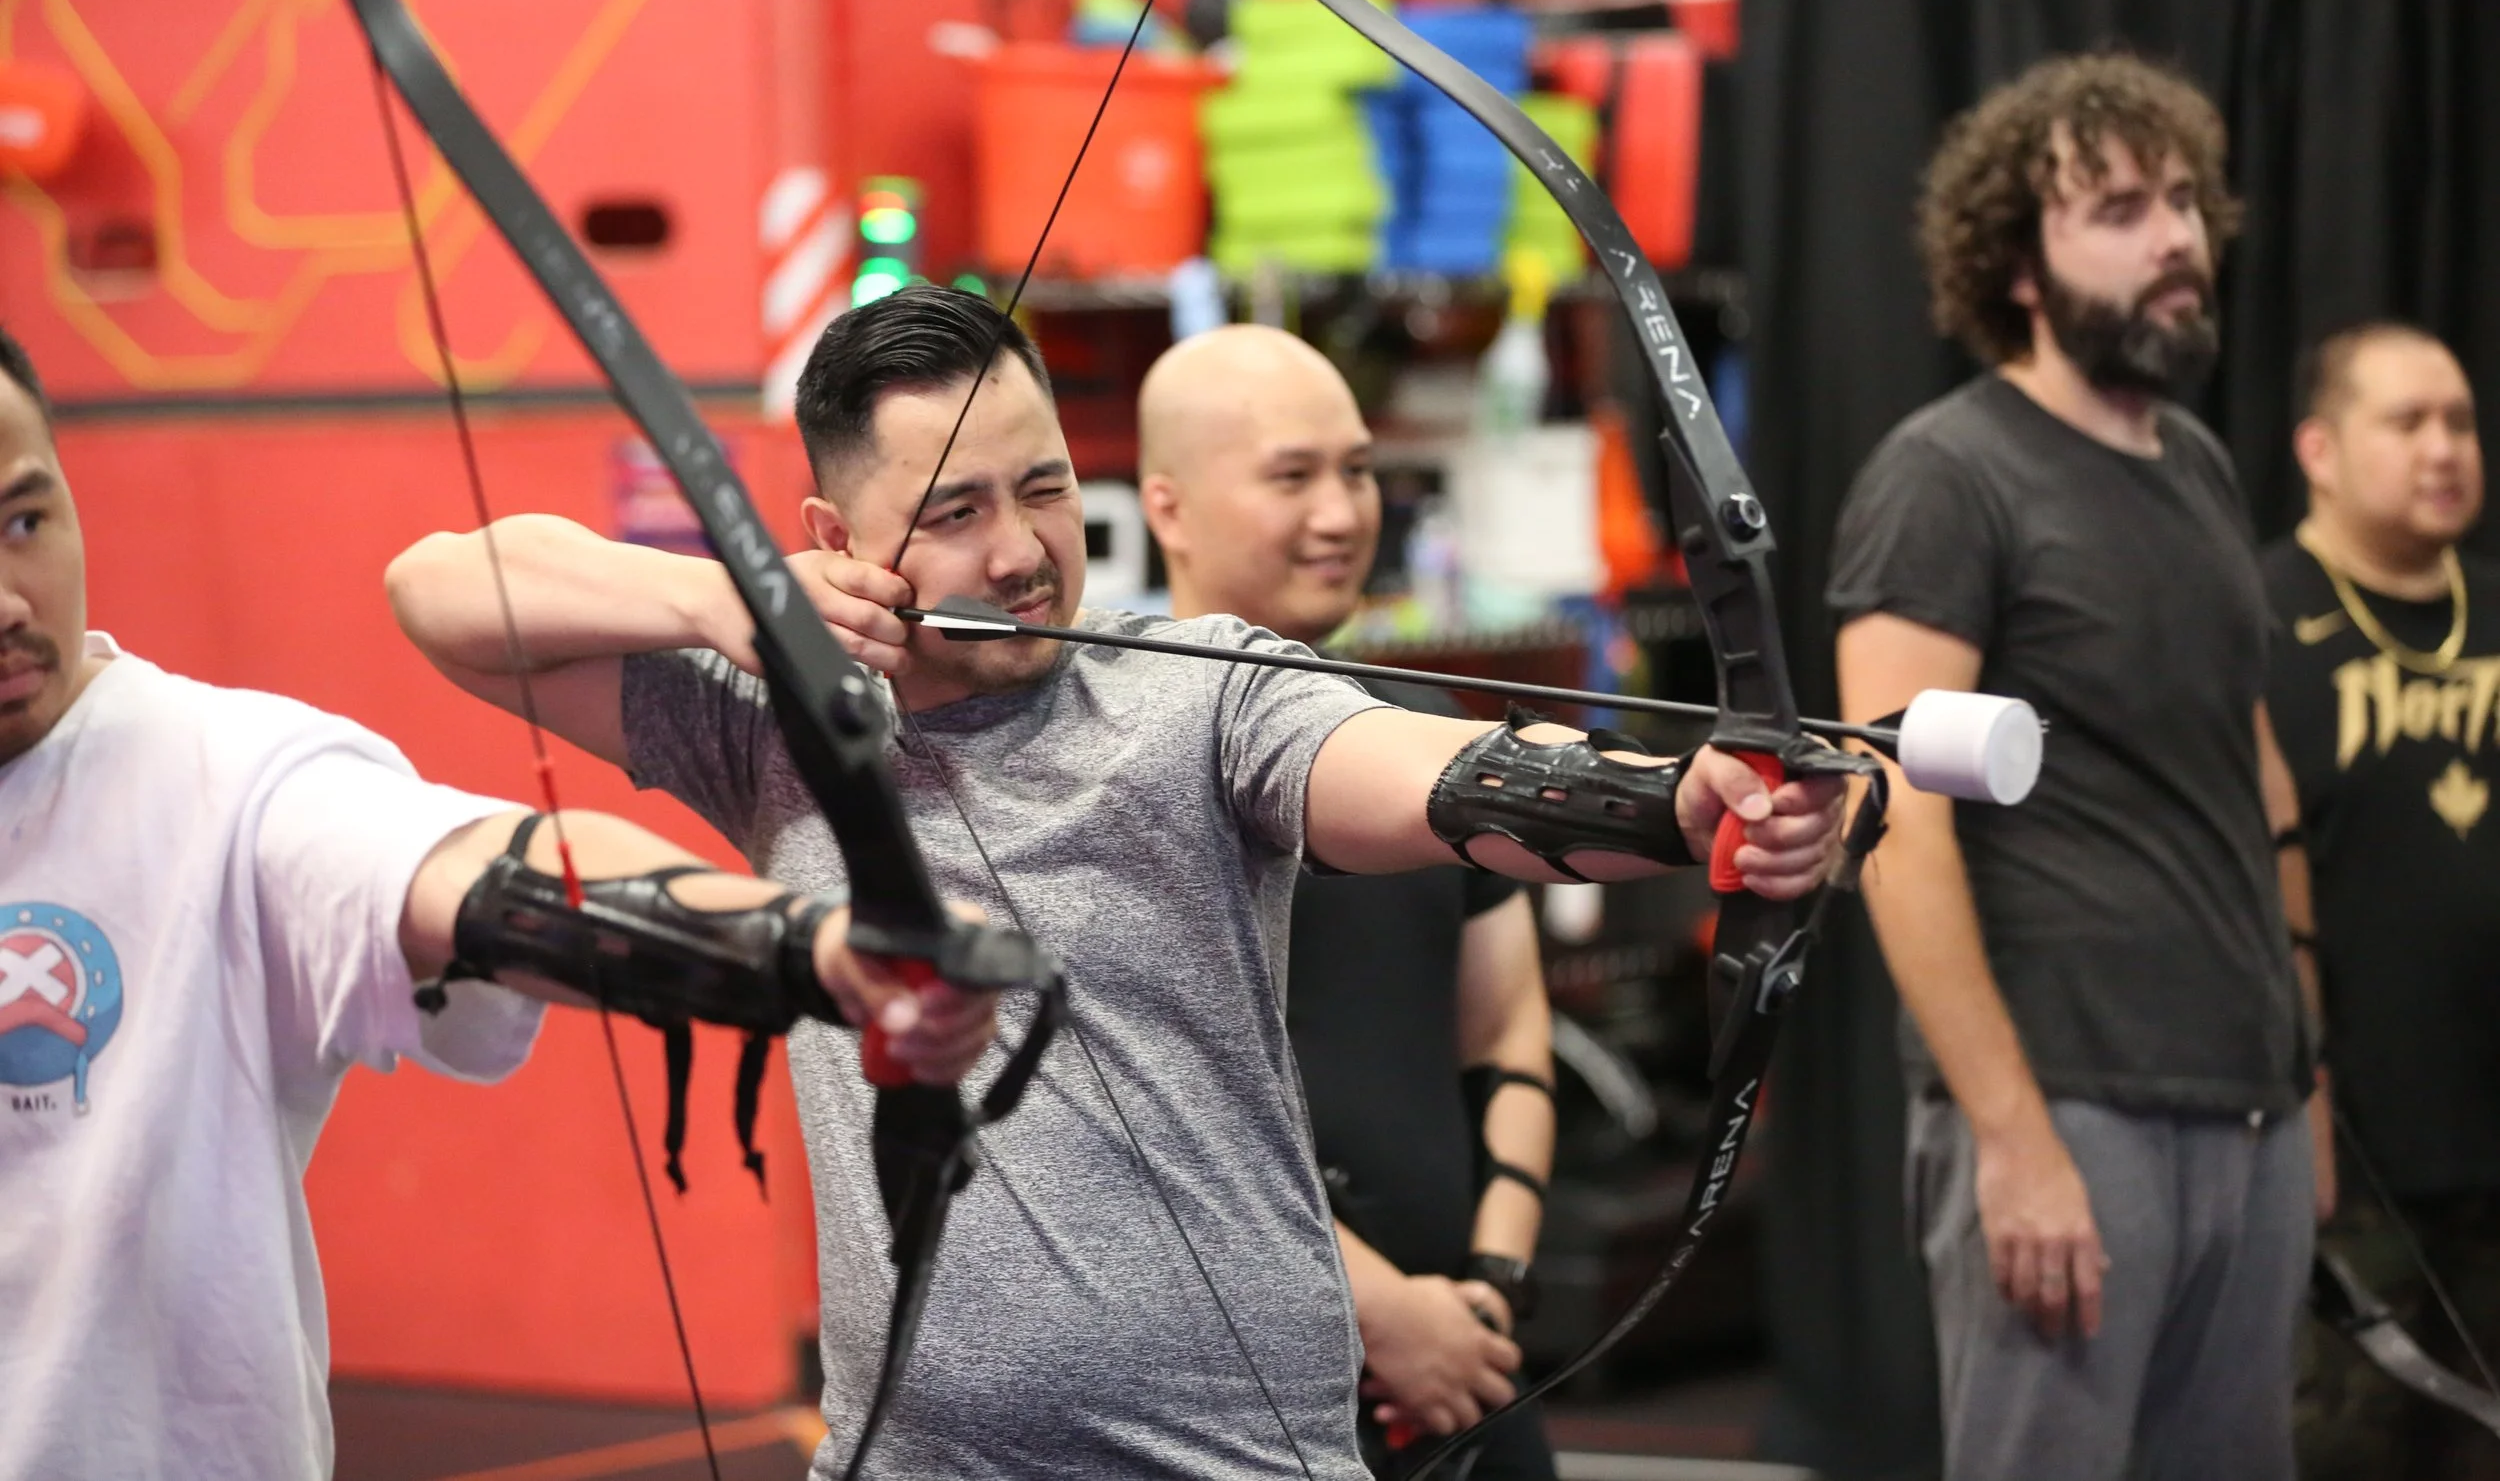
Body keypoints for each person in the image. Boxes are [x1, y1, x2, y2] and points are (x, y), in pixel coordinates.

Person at [386, 284, 1849, 1480]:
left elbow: (1432, 778)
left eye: (1042, 487)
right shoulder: (770, 730)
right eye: (954, 510)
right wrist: (728, 600)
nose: (1022, 552)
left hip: (1235, 1457)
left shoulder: (1203, 694)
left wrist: (1671, 797)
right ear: (837, 544)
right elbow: (443, 590)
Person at [0, 326, 994, 1481]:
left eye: (26, 520)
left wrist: (812, 945)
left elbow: (486, 871)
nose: (10, 597)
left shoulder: (223, 776)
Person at [1825, 53, 2314, 1481]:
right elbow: (1892, 822)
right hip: (2070, 1104)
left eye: (2181, 199)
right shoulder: (1949, 473)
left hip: (2250, 1100)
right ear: (2019, 264)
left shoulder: (2201, 467)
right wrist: (2014, 1134)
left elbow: (2251, 775)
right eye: (2116, 208)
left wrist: (2309, 1072)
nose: (2173, 235)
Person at [1137, 324, 1557, 1479]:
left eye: (1358, 469)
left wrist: (1485, 1288)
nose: (1340, 512)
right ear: (1167, 508)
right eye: (1291, 475)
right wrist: (1376, 1308)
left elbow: (1506, 1029)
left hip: (1463, 1357)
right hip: (1239, 1380)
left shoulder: (1425, 731)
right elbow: (1138, 1113)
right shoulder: (1118, 759)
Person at [2261, 322, 2500, 1480]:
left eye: (2458, 420)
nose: (2444, 446)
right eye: (2406, 421)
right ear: (2319, 446)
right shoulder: (2250, 620)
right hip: (2342, 1163)